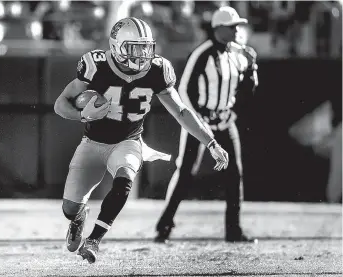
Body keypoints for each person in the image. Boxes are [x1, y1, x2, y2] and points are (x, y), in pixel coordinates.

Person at [54, 17, 229, 264]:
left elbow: (181, 111)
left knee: (124, 180)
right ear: (116, 46)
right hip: (92, 143)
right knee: (69, 208)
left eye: (146, 47)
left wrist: (211, 142)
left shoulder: (158, 70)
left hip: (129, 141)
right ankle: (79, 216)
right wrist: (81, 114)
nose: (142, 54)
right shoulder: (96, 65)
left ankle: (94, 240)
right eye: (135, 47)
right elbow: (60, 103)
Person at [154, 6, 258, 243]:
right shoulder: (203, 53)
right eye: (232, 27)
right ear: (219, 28)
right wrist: (197, 122)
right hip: (200, 122)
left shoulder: (237, 54)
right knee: (186, 173)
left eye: (237, 26)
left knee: (234, 175)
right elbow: (184, 89)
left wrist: (252, 67)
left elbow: (246, 91)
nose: (236, 31)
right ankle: (165, 224)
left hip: (224, 120)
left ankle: (233, 229)